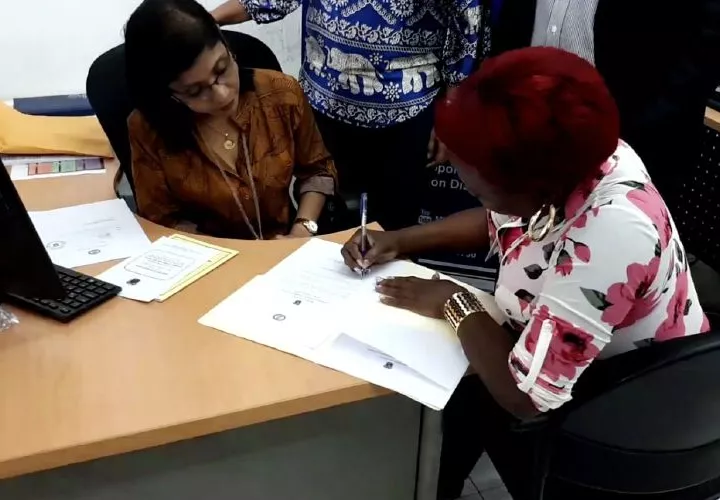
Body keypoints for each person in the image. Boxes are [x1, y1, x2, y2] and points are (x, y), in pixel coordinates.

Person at [340, 47, 711, 500]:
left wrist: (454, 303)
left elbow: (526, 396)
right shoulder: (582, 156)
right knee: (451, 403)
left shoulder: (607, 233)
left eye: (476, 185)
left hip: (622, 409)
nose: (466, 186)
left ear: (527, 185)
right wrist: (400, 240)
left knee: (454, 399)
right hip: (566, 352)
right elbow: (501, 218)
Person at [211, 0, 486, 230]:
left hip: (406, 114)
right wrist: (206, 21)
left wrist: (452, 110)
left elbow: (467, 29)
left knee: (394, 226)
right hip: (322, 107)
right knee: (320, 216)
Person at [125, 0, 337, 240]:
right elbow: (162, 220)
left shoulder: (281, 94)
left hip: (283, 247)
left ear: (225, 45)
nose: (222, 95)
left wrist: (302, 229)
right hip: (206, 255)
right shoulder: (147, 129)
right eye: (195, 91)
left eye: (222, 69)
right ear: (168, 94)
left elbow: (317, 171)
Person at [489, 0, 720, 212]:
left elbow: (709, 37)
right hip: (525, 132)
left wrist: (649, 118)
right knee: (515, 233)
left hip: (632, 143)